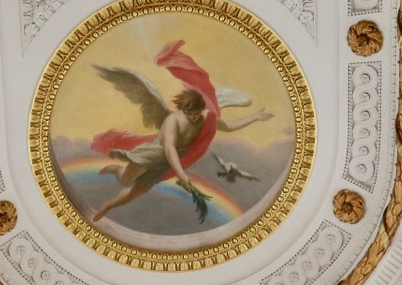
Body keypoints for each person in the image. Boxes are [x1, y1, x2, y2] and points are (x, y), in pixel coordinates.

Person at [90, 41, 272, 223]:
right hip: (154, 154)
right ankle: (116, 169)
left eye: (196, 114)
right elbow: (169, 149)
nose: (193, 118)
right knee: (124, 180)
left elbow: (227, 126)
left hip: (167, 163)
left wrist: (255, 117)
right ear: (183, 110)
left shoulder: (206, 117)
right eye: (189, 114)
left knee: (136, 192)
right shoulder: (173, 120)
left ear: (201, 109)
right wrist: (181, 175)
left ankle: (107, 207)